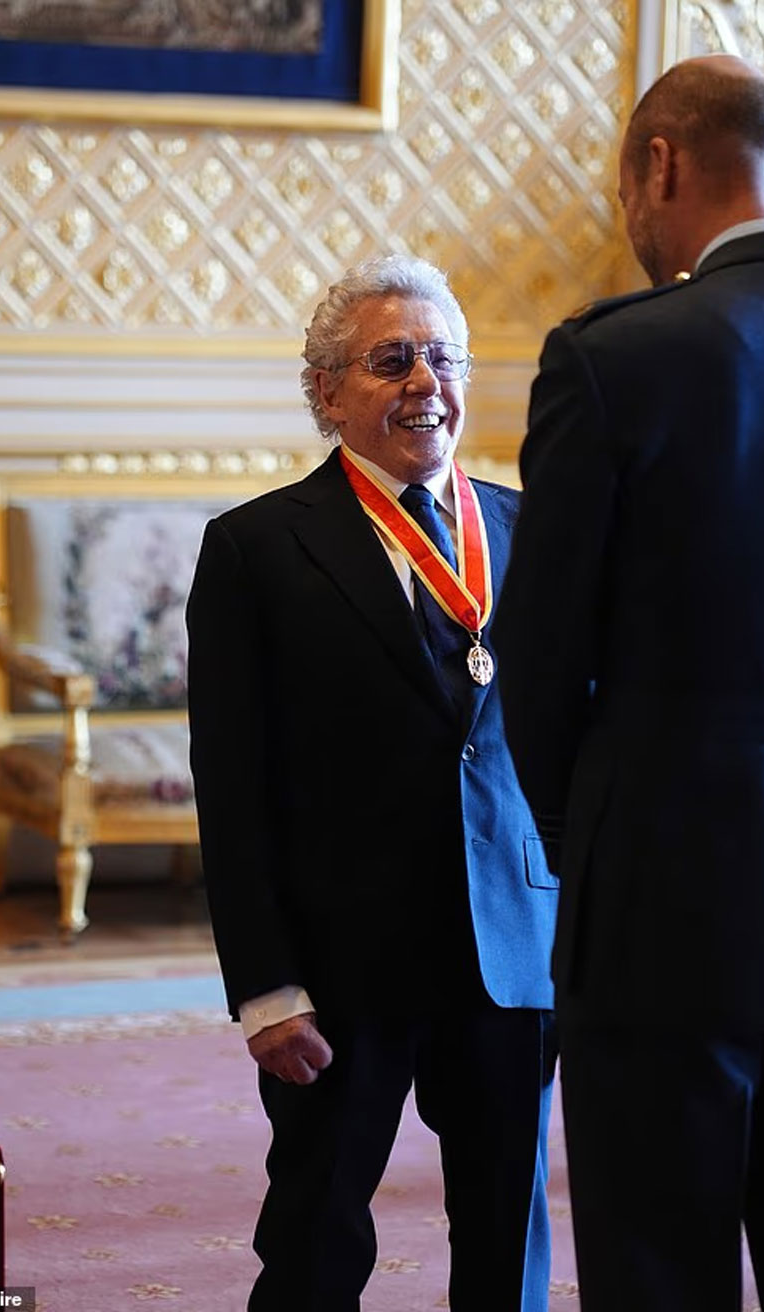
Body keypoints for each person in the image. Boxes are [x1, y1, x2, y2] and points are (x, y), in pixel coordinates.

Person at [185, 252, 559, 1312]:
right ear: (327, 393)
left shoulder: (531, 529)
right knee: (316, 1239)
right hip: (342, 966)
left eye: (443, 358)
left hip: (509, 954)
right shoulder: (256, 549)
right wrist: (266, 987)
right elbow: (232, 790)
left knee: (507, 1242)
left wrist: (578, 943)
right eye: (391, 360)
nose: (424, 383)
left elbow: (572, 750)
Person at [491, 54, 764, 1312]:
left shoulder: (617, 356)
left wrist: (582, 836)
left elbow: (542, 651)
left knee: (659, 1260)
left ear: (661, 164)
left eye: (622, 191)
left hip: (665, 885)